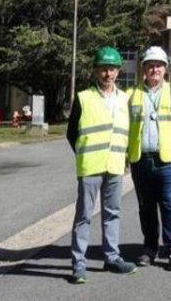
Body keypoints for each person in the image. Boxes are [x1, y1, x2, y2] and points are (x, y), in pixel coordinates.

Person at [66, 46, 136, 284]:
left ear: (118, 71)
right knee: (84, 215)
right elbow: (72, 133)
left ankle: (112, 258)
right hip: (90, 167)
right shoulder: (83, 98)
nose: (108, 74)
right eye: (104, 69)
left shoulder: (126, 99)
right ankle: (79, 263)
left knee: (112, 213)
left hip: (115, 165)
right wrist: (84, 154)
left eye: (112, 69)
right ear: (96, 71)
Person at [128, 46, 171, 272]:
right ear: (144, 69)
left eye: (159, 65)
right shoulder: (131, 94)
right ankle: (149, 248)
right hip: (141, 159)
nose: (154, 69)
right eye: (150, 65)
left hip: (167, 160)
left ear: (165, 68)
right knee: (146, 207)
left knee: (169, 205)